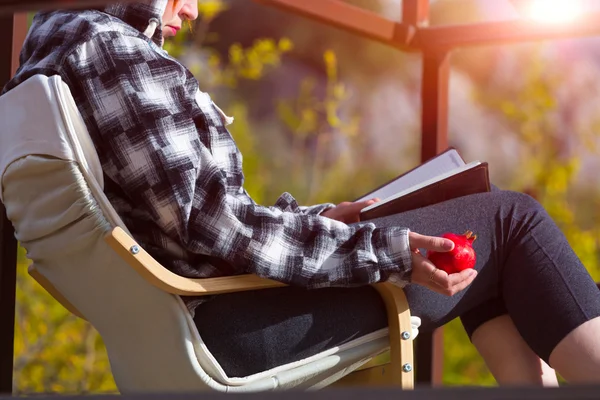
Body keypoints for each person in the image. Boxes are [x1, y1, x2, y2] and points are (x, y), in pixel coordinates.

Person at [4, 0, 600, 386]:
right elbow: (217, 226)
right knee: (511, 220)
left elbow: (191, 223)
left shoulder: (48, 53)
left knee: (486, 255)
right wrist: (384, 250)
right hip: (229, 330)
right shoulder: (112, 52)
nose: (190, 10)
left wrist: (327, 221)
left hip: (185, 322)